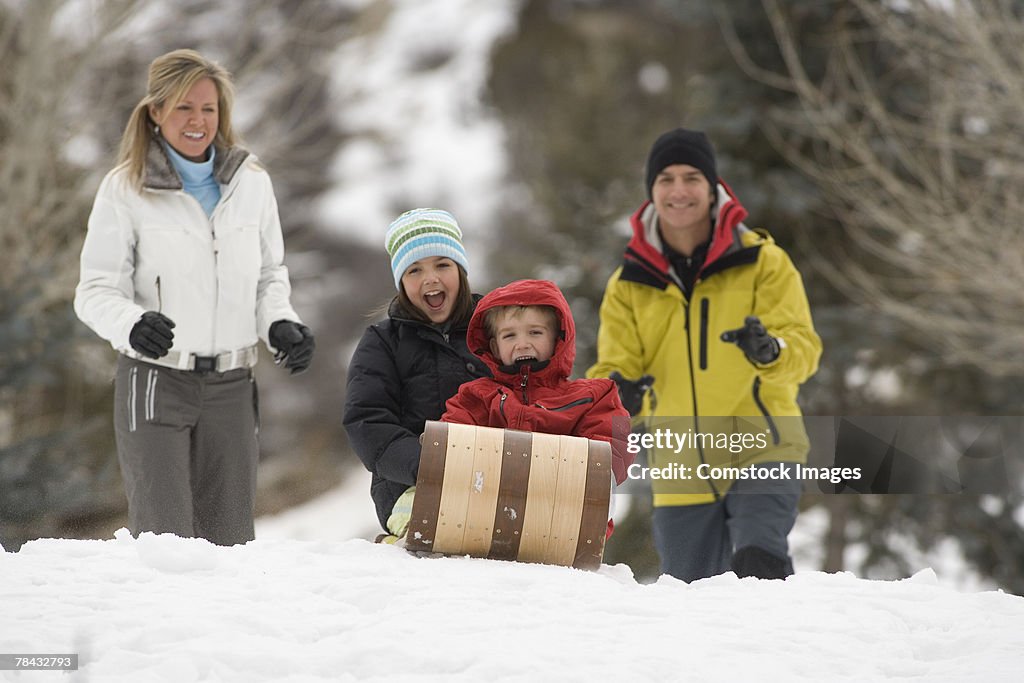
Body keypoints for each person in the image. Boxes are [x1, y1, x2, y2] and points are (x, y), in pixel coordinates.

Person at [74, 49, 314, 546]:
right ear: (155, 112)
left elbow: (270, 273)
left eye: (209, 108)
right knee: (165, 540)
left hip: (231, 385)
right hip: (154, 381)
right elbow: (94, 290)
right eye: (184, 107)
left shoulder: (252, 183)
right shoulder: (126, 189)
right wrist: (131, 322)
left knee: (230, 540)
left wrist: (279, 323)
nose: (198, 120)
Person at [587, 127, 822, 581]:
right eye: (666, 179)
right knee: (691, 598)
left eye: (692, 177)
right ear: (651, 191)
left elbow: (804, 348)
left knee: (760, 565)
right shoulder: (628, 284)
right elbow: (613, 368)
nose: (679, 191)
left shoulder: (763, 262)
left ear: (713, 187)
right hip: (679, 463)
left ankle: (782, 650)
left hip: (762, 445)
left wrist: (771, 350)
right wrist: (619, 393)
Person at [439, 279, 633, 537]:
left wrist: (581, 469)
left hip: (563, 522)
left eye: (535, 333)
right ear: (495, 346)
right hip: (484, 519)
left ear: (557, 339)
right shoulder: (476, 396)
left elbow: (615, 445)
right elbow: (450, 442)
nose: (522, 344)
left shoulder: (593, 396)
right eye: (510, 335)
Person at [343, 208, 489, 540]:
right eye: (414, 270)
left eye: (442, 264)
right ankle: (408, 542)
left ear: (461, 270)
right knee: (443, 535)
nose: (430, 278)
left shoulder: (495, 328)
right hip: (409, 486)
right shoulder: (382, 342)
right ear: (401, 282)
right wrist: (431, 465)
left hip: (492, 478)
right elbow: (367, 421)